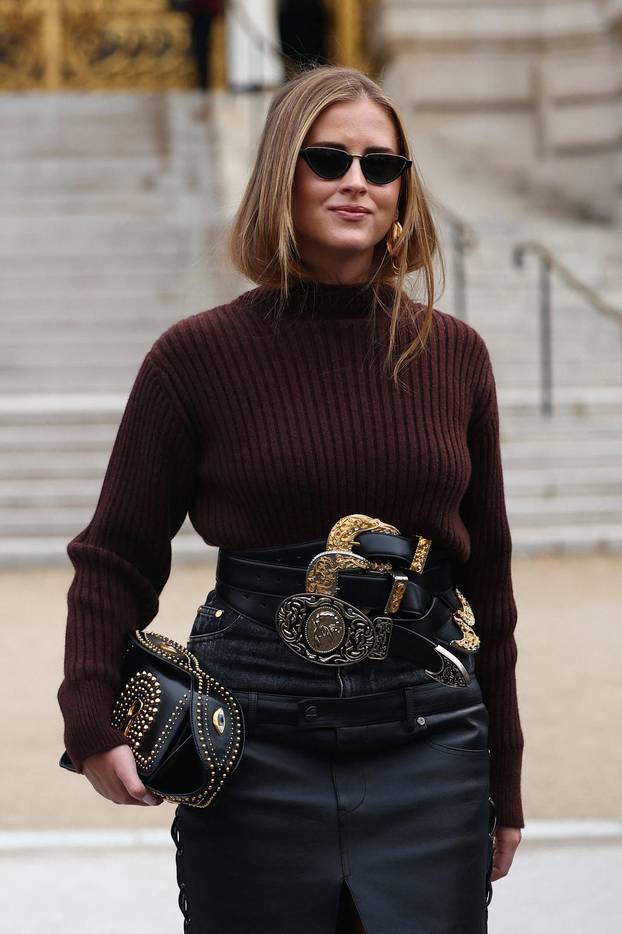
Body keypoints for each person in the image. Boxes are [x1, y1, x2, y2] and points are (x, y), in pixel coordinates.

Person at [57, 64, 524, 933]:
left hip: (432, 743)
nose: (357, 182)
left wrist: (506, 779)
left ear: (403, 190)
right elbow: (115, 552)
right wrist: (91, 718)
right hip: (251, 744)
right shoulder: (193, 358)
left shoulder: (456, 356)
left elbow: (487, 579)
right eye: (329, 159)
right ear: (283, 173)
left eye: (382, 165)